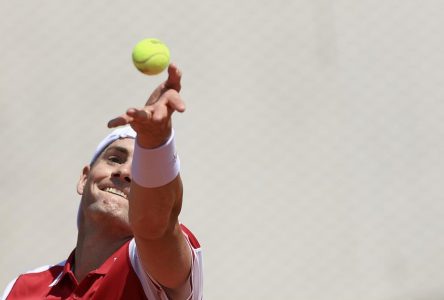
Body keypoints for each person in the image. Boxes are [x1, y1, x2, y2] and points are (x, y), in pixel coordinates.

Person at [1, 64, 203, 300]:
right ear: (84, 178)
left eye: (140, 169)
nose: (125, 172)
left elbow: (156, 226)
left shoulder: (150, 272)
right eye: (115, 159)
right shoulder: (23, 288)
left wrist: (155, 142)